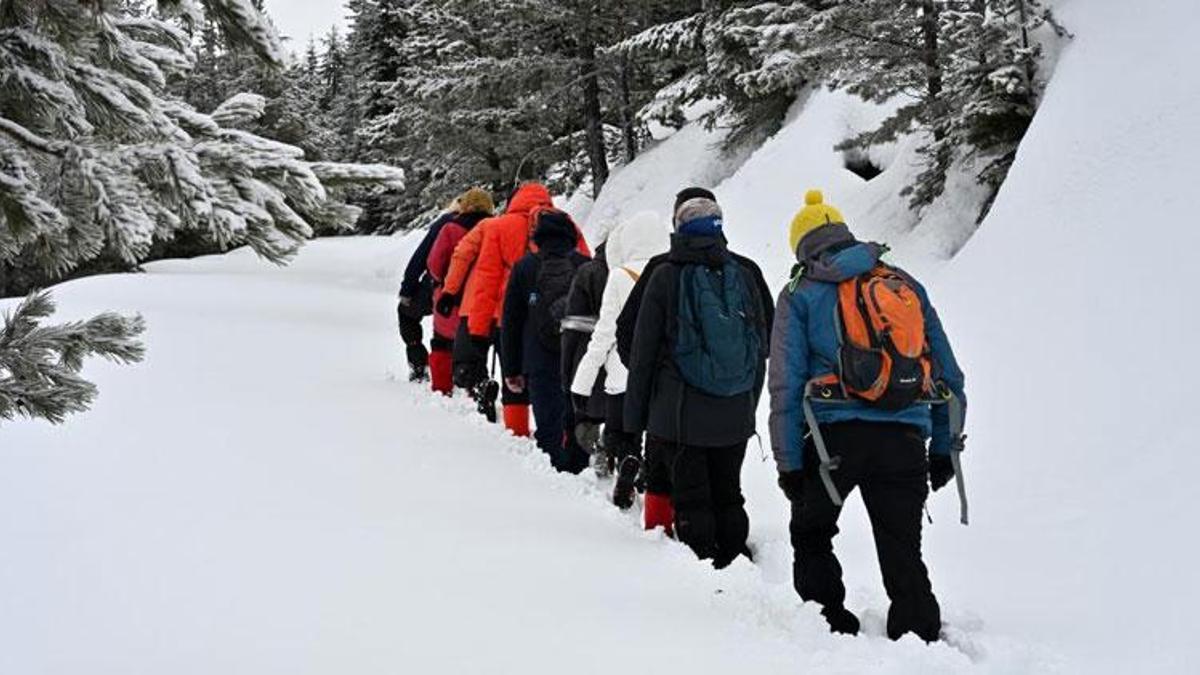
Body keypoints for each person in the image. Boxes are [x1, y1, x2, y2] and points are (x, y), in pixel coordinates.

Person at [767, 190, 966, 642]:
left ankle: (827, 625)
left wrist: (789, 464)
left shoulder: (800, 292)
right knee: (901, 545)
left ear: (801, 246)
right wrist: (943, 450)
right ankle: (919, 635)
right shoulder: (902, 282)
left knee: (812, 532)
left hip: (834, 440)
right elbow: (949, 376)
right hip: (906, 437)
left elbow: (786, 383)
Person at [624, 197, 772, 568]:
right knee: (729, 492)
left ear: (678, 228)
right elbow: (763, 342)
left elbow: (640, 351)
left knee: (692, 497)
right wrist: (747, 403)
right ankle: (735, 559)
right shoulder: (745, 271)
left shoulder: (664, 274)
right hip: (734, 409)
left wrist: (638, 417)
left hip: (680, 413)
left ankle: (703, 572)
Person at [469, 182, 589, 437]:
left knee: (515, 379)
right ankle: (570, 440)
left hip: (511, 313)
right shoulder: (565, 222)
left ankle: (518, 432)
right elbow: (588, 273)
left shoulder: (498, 227)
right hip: (569, 324)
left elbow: (486, 278)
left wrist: (477, 328)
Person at [570, 211, 670, 509]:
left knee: (620, 432)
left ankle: (626, 459)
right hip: (660, 375)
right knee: (656, 435)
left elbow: (603, 334)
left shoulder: (619, 275)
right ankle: (647, 477)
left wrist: (582, 384)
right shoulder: (669, 271)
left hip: (621, 374)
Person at [500, 209, 591, 473]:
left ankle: (552, 471)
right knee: (577, 415)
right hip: (578, 358)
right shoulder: (584, 265)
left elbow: (512, 323)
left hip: (538, 359)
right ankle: (580, 469)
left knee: (548, 420)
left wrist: (512, 369)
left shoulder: (525, 267)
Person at [426, 188, 495, 395]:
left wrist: (441, 282)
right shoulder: (495, 228)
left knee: (442, 342)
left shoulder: (450, 229)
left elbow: (435, 263)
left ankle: (442, 388)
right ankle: (476, 387)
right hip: (482, 299)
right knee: (476, 345)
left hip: (451, 296)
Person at [560, 237, 610, 473]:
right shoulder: (644, 270)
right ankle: (616, 452)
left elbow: (572, 325)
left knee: (584, 408)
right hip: (625, 356)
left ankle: (588, 451)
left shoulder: (588, 272)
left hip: (587, 352)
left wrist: (566, 372)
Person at [397, 199, 459, 382]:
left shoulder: (446, 223)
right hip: (474, 289)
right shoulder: (489, 224)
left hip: (437, 286)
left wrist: (407, 289)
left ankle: (418, 363)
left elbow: (421, 257)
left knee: (406, 314)